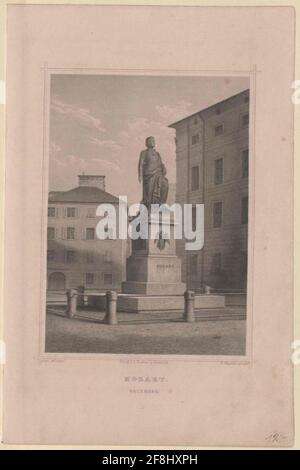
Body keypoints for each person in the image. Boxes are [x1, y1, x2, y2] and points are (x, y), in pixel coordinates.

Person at [138, 136, 169, 209]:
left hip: (158, 174)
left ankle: (161, 204)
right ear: (146, 143)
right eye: (150, 141)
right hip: (148, 175)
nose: (152, 142)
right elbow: (141, 164)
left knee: (165, 185)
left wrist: (164, 168)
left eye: (153, 141)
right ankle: (149, 207)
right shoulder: (144, 152)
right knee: (149, 193)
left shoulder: (157, 154)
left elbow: (161, 163)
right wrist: (140, 175)